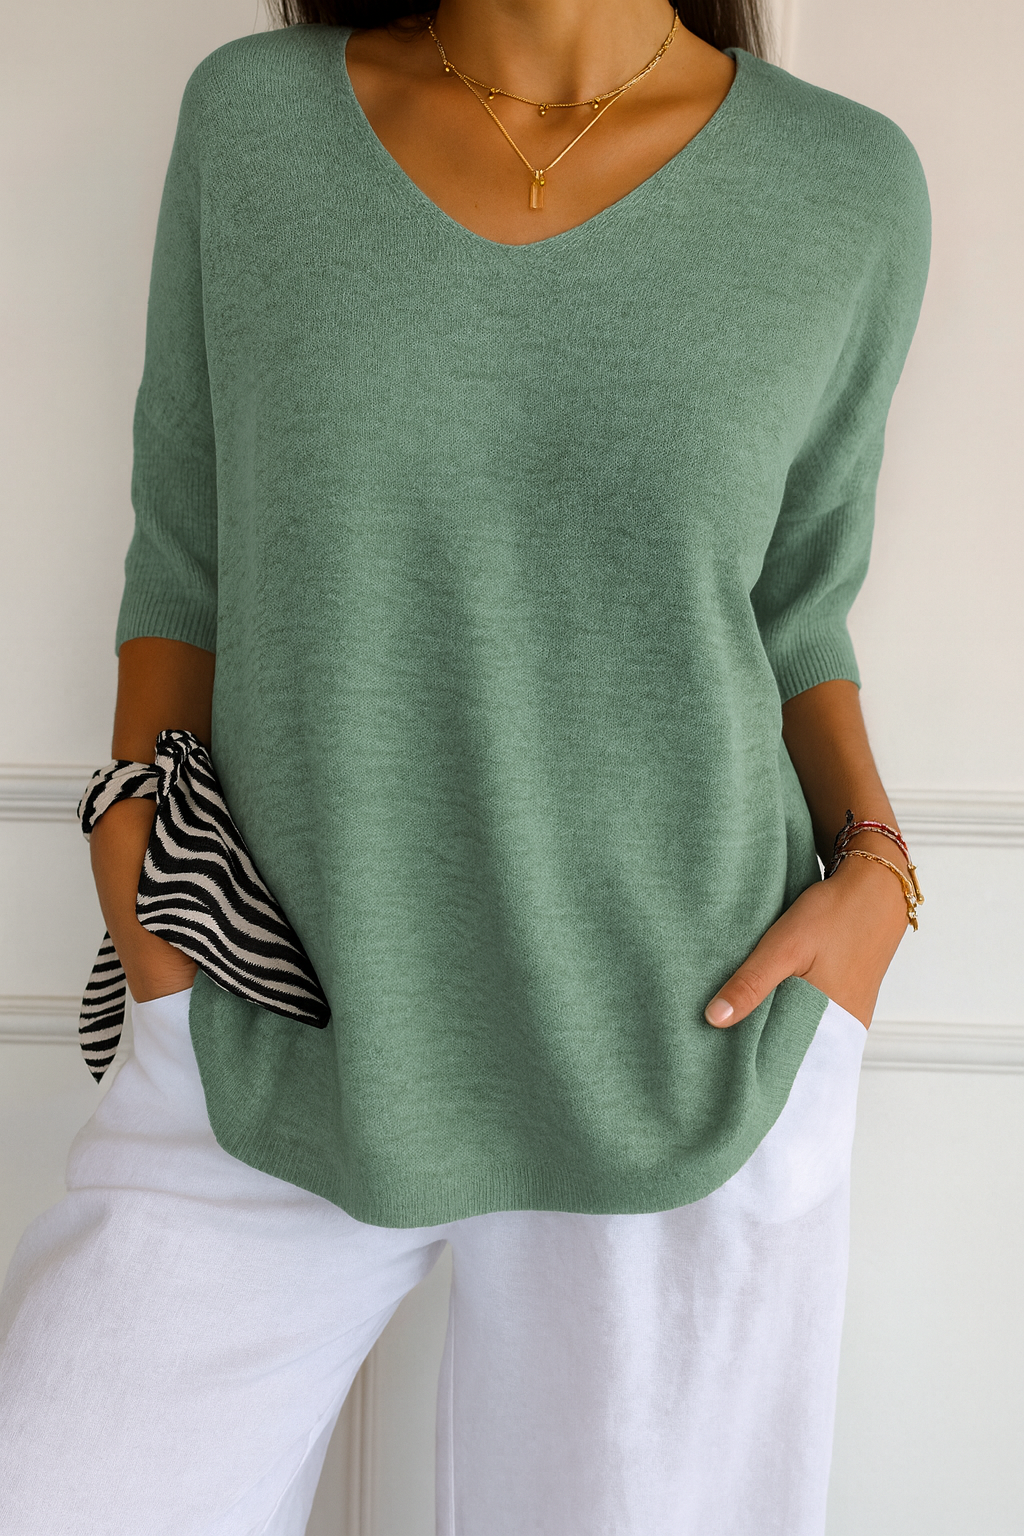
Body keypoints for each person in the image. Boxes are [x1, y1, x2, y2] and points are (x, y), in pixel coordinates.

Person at [0, 2, 931, 1532]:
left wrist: (877, 876)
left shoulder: (846, 184)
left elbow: (795, 613)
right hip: (270, 1015)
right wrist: (141, 881)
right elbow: (184, 561)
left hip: (687, 1046)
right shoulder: (257, 125)